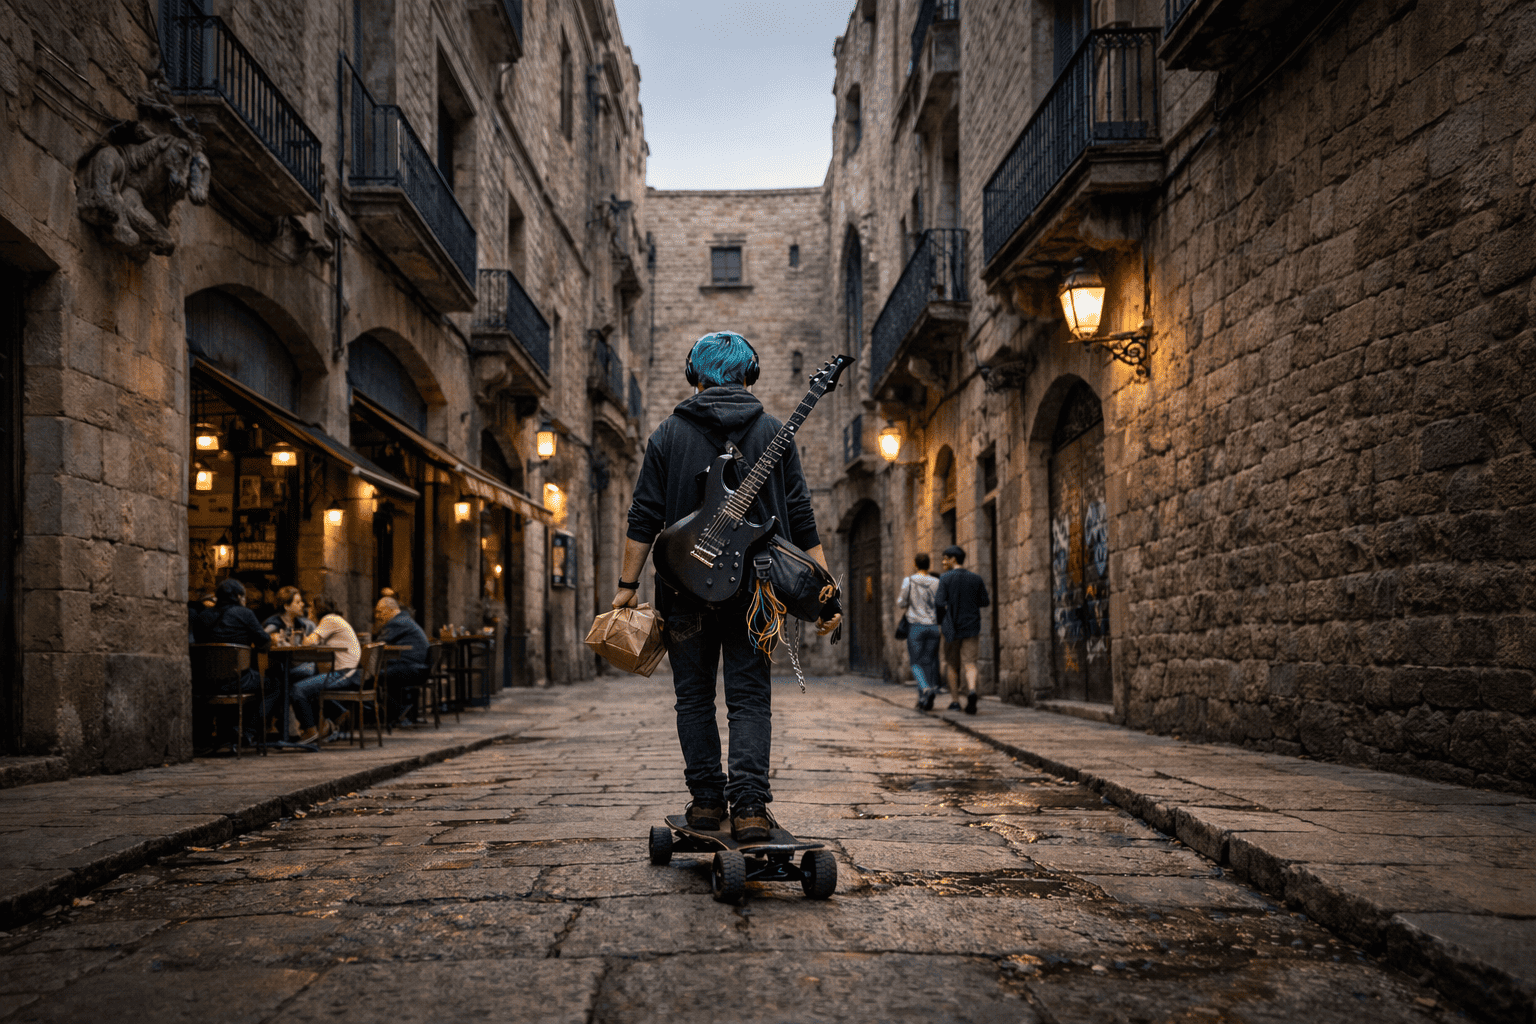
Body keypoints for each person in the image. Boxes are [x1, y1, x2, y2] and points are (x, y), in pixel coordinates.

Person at [614, 331, 841, 842]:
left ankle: (705, 804)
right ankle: (751, 809)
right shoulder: (773, 431)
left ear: (693, 374)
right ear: (750, 374)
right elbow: (802, 518)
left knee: (692, 699)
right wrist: (825, 589)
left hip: (683, 586)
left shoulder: (667, 434)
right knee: (749, 700)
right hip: (754, 593)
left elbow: (643, 516)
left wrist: (627, 586)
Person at [190, 578, 279, 737]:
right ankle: (248, 732)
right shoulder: (245, 613)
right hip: (237, 681)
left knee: (252, 680)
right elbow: (264, 643)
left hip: (204, 683)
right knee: (273, 685)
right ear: (239, 597)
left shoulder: (202, 616)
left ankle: (226, 731)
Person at [292, 594, 362, 743]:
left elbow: (309, 642)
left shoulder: (329, 619)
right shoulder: (334, 619)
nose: (308, 609)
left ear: (317, 608)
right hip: (348, 671)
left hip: (346, 673)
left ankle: (310, 731)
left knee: (298, 689)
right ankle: (336, 715)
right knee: (307, 683)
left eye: (310, 606)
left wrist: (300, 635)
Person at [935, 544, 990, 715]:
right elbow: (985, 602)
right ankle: (972, 691)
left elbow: (939, 603)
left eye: (945, 558)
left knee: (951, 663)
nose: (943, 562)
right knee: (970, 663)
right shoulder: (976, 578)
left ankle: (955, 701)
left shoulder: (945, 579)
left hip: (951, 627)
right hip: (971, 626)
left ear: (953, 559)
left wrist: (941, 621)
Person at [373, 595, 431, 725]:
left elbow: (378, 644)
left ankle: (398, 710)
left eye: (379, 612)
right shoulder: (405, 620)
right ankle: (397, 712)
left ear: (390, 609)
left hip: (411, 668)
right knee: (381, 674)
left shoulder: (397, 622)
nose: (377, 616)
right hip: (419, 668)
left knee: (373, 677)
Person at [897, 553, 942, 711]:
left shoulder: (909, 581)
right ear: (929, 565)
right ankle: (924, 700)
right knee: (928, 662)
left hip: (916, 626)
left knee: (916, 663)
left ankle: (925, 689)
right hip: (933, 626)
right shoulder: (937, 581)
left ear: (915, 565)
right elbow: (941, 602)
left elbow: (901, 602)